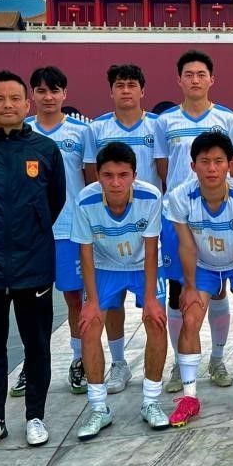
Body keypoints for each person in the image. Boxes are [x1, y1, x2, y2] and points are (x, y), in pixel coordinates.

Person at [0, 70, 66, 451]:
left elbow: (54, 201)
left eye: (15, 98)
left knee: (37, 346)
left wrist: (30, 231)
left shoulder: (45, 150)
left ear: (27, 104)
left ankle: (35, 416)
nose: (8, 105)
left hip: (33, 266)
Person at [156, 50, 233, 393]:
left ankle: (217, 358)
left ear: (211, 79)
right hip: (178, 216)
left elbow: (231, 168)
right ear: (179, 80)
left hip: (216, 215)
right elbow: (164, 169)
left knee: (217, 288)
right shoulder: (165, 122)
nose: (195, 79)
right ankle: (181, 362)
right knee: (179, 292)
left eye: (201, 74)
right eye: (188, 74)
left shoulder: (227, 119)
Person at [167, 132, 233, 426]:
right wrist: (188, 286)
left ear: (230, 165)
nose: (212, 168)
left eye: (218, 161)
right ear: (193, 166)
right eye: (204, 161)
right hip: (203, 264)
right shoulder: (179, 197)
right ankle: (189, 397)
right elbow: (186, 245)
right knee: (190, 318)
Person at [71, 143, 169, 440]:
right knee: (89, 326)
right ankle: (98, 408)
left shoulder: (150, 196)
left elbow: (151, 248)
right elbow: (85, 252)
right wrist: (91, 301)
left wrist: (150, 299)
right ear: (97, 175)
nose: (116, 183)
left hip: (142, 265)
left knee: (156, 321)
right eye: (108, 175)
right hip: (105, 266)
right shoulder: (85, 200)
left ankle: (151, 401)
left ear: (134, 175)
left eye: (123, 175)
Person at [82, 63, 165, 396]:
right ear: (111, 90)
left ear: (143, 90)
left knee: (157, 307)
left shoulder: (157, 125)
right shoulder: (97, 128)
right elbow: (91, 174)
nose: (126, 90)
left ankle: (163, 371)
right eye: (120, 85)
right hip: (109, 225)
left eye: (132, 84)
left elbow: (163, 170)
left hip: (147, 221)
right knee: (111, 303)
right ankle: (118, 362)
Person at [24, 66, 90, 396]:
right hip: (31, 232)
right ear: (32, 95)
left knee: (74, 298)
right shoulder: (22, 132)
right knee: (29, 302)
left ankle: (79, 359)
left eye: (54, 90)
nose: (48, 97)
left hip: (70, 229)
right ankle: (32, 364)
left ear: (65, 94)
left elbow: (91, 182)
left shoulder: (81, 132)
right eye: (41, 90)